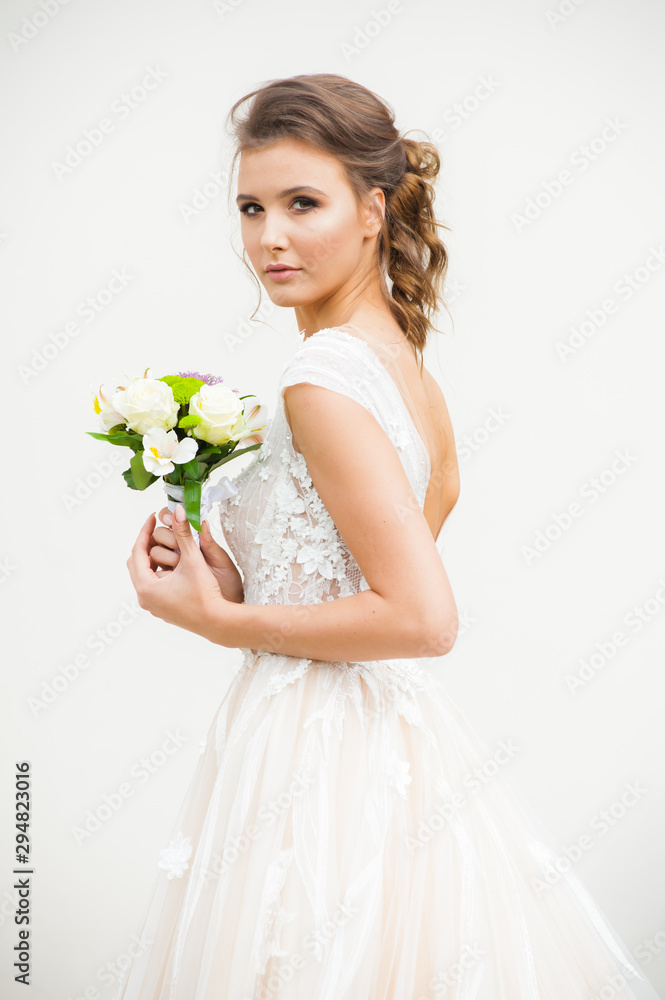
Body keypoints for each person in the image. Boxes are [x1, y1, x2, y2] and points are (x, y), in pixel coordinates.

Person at [120, 74, 659, 999]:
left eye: (302, 203)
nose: (269, 238)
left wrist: (218, 621)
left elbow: (419, 616)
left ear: (372, 210)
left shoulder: (321, 378)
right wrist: (243, 578)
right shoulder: (401, 367)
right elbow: (364, 574)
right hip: (386, 745)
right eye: (250, 207)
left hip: (312, 753)